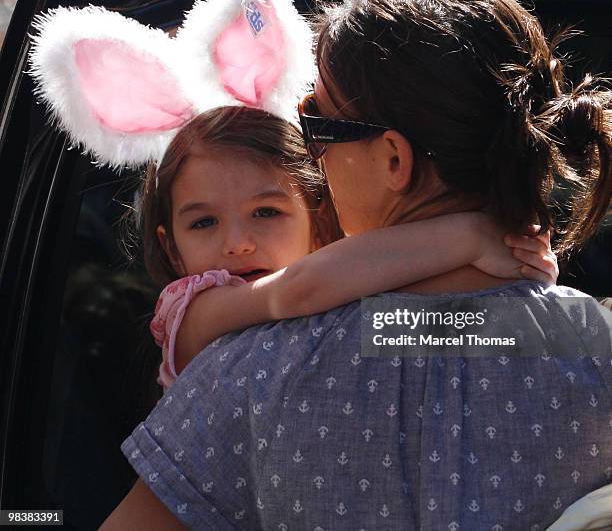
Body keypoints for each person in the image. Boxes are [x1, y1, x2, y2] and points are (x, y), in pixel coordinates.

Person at [100, 0, 612, 531]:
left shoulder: (247, 369)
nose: (311, 153)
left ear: (394, 160)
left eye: (316, 121)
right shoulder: (595, 348)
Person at [140, 105, 554, 392]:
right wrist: (475, 236)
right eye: (203, 222)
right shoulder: (190, 311)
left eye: (265, 212)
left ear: (317, 221)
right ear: (171, 246)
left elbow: (420, 326)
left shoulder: (338, 294)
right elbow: (298, 289)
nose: (237, 244)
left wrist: (516, 277)